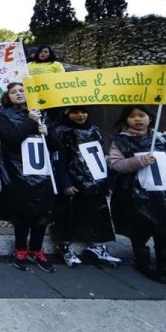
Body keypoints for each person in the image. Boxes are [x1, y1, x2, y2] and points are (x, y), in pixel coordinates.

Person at [0, 82, 64, 273]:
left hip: (43, 175)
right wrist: (30, 121)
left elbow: (56, 146)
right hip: (18, 173)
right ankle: (21, 249)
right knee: (22, 215)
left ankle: (37, 249)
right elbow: (11, 139)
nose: (18, 94)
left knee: (42, 214)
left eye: (22, 91)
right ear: (8, 96)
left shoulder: (43, 115)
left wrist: (47, 133)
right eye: (14, 91)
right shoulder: (2, 115)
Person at [109, 106, 166, 284]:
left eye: (141, 115)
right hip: (135, 196)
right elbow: (116, 164)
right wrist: (139, 161)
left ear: (150, 118)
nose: (138, 119)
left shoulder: (165, 141)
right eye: (132, 116)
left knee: (162, 232)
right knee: (140, 231)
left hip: (164, 196)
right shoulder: (120, 141)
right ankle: (142, 262)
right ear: (125, 120)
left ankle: (164, 265)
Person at [51, 106, 120, 268]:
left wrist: (106, 178)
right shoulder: (61, 131)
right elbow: (58, 159)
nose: (81, 115)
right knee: (67, 214)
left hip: (95, 179)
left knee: (96, 212)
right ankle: (64, 245)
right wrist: (65, 182)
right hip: (73, 180)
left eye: (83, 112)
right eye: (75, 112)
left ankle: (96, 245)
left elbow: (101, 153)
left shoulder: (94, 129)